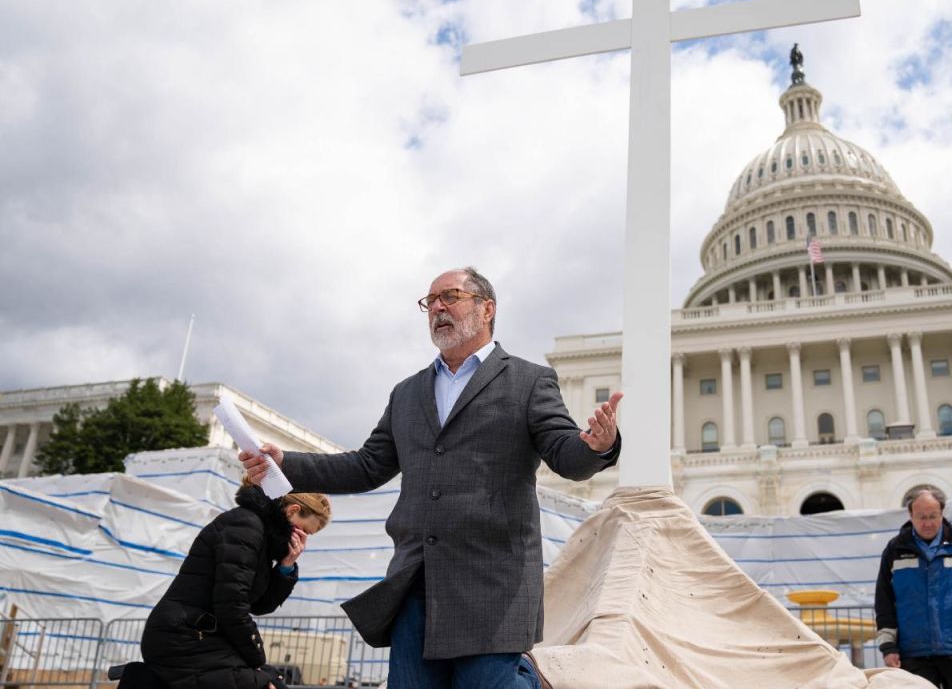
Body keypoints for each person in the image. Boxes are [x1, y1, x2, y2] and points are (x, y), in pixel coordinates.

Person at [240, 266, 622, 689]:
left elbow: (565, 455)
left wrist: (596, 445)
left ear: (486, 308)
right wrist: (284, 463)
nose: (437, 307)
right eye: (430, 301)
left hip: (492, 583)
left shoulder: (529, 381)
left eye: (450, 296)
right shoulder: (407, 393)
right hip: (416, 581)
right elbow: (367, 465)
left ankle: (529, 680)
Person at [139, 482, 331, 689]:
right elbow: (231, 605)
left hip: (203, 634)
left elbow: (259, 606)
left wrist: (286, 566)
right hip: (183, 637)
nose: (302, 540)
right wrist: (256, 660)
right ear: (292, 510)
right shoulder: (246, 527)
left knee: (274, 681)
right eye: (303, 531)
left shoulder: (260, 533)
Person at [874, 486, 952, 687]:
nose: (927, 523)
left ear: (942, 513)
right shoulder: (895, 550)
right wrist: (888, 647)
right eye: (921, 517)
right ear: (910, 515)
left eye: (933, 516)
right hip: (914, 652)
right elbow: (884, 601)